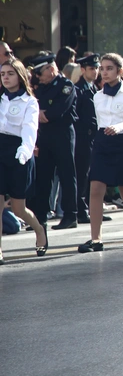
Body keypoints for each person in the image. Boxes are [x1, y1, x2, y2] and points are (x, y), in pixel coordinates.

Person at [77, 54, 123, 253]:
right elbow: (98, 120)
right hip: (102, 142)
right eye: (102, 68)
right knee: (96, 188)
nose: (104, 72)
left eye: (109, 68)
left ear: (119, 71)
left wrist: (119, 127)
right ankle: (96, 238)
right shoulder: (97, 95)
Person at [0, 59, 48, 259]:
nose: (5, 77)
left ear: (19, 76)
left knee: (19, 208)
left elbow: (30, 130)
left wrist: (25, 152)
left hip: (18, 151)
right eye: (2, 74)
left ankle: (39, 230)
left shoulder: (29, 102)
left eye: (10, 73)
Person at [28, 54, 79, 229]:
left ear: (50, 69)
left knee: (66, 175)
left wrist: (43, 114)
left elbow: (57, 111)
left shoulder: (66, 86)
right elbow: (33, 109)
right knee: (43, 176)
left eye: (39, 72)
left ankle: (70, 215)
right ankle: (40, 216)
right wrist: (40, 115)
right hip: (44, 136)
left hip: (62, 134)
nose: (37, 77)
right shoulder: (39, 88)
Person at [73, 54, 103, 224]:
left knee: (94, 175)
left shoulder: (93, 89)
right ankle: (81, 210)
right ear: (83, 70)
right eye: (92, 68)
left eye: (96, 68)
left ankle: (93, 209)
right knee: (82, 175)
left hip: (93, 138)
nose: (95, 71)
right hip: (83, 138)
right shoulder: (78, 90)